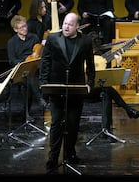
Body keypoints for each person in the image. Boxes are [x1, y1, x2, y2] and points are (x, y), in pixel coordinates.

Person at [39, 12, 95, 174]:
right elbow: (46, 62)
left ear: (77, 26)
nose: (66, 27)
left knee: (72, 124)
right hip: (57, 87)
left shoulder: (85, 41)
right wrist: (43, 84)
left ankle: (70, 153)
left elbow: (90, 64)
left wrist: (90, 83)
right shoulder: (53, 38)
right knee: (56, 124)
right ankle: (53, 157)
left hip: (76, 88)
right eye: (64, 23)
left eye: (70, 24)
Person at [7, 15, 46, 122]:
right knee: (29, 77)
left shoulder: (33, 37)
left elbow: (39, 53)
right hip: (20, 69)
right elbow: (12, 60)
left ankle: (27, 113)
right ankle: (39, 99)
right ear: (15, 30)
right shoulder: (11, 42)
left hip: (34, 67)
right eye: (21, 27)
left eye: (25, 26)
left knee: (31, 76)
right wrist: (24, 62)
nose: (25, 29)